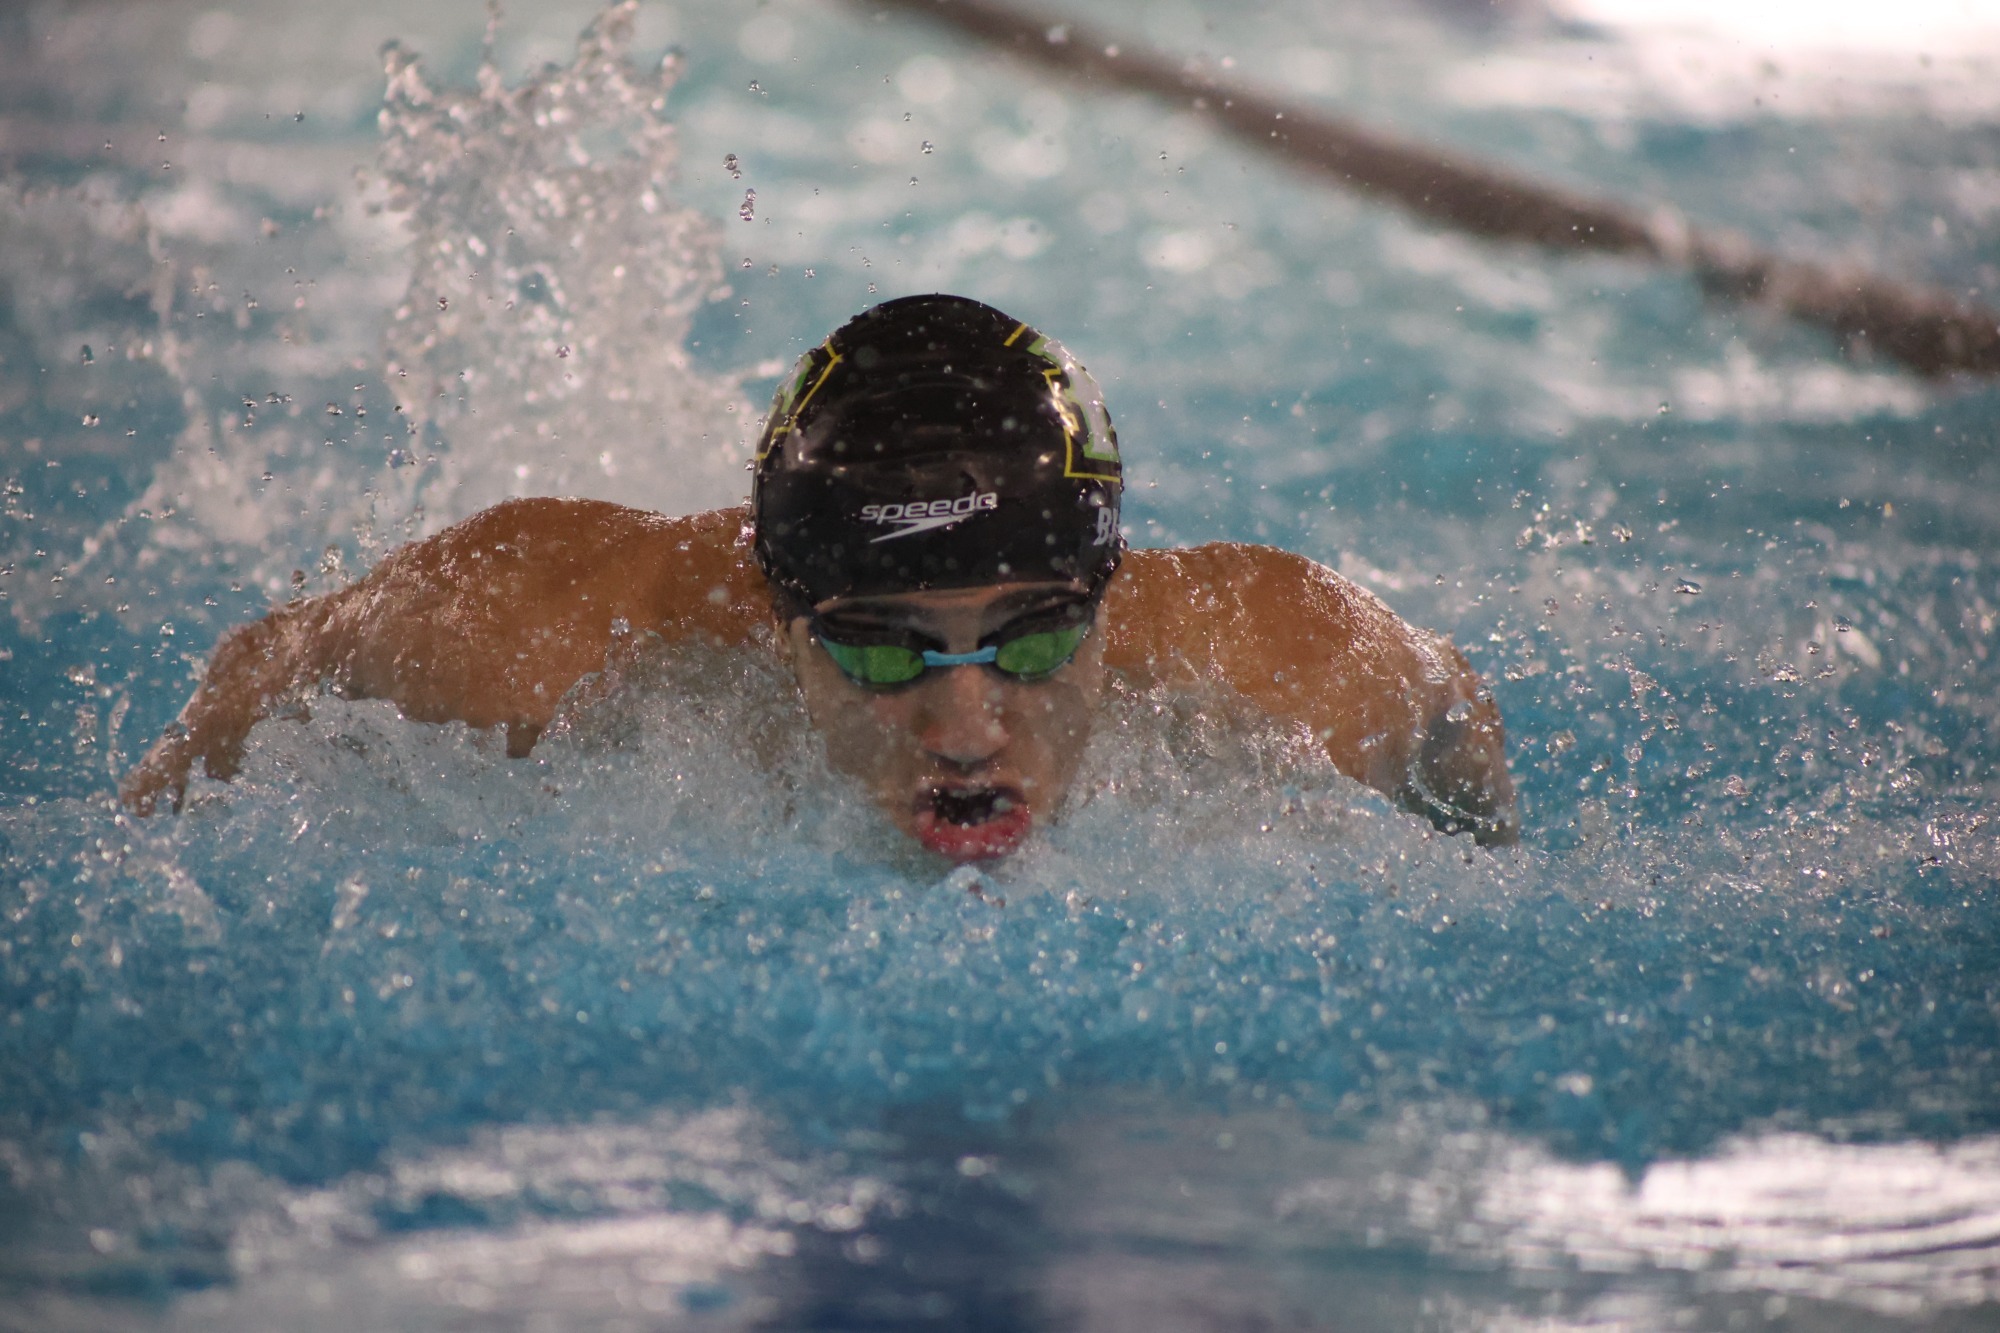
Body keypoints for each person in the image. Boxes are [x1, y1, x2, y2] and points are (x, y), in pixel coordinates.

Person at [122, 294, 1517, 856]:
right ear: (775, 611)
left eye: (1029, 641)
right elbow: (256, 672)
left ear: (1107, 596)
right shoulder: (524, 645)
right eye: (884, 647)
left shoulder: (1292, 661)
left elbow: (1462, 714)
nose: (967, 727)